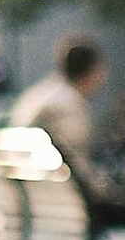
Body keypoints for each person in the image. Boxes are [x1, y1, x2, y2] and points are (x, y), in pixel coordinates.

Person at [13, 33, 107, 168]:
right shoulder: (67, 106)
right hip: (50, 183)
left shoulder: (42, 93)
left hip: (28, 179)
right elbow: (76, 163)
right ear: (92, 72)